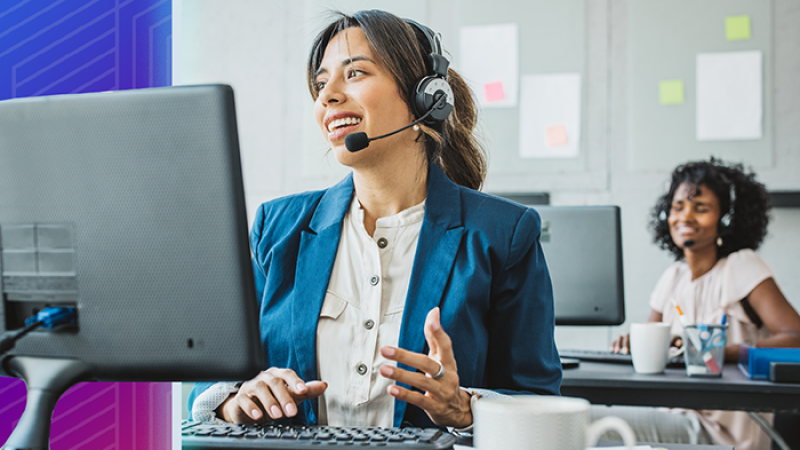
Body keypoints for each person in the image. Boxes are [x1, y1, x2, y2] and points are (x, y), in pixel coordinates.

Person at [187, 10, 561, 430]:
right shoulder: (276, 227)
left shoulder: (502, 235)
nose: (327, 96)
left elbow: (539, 403)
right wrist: (237, 400)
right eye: (320, 83)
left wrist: (466, 408)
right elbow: (212, 384)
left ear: (425, 100)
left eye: (355, 73)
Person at [605, 158, 800, 450]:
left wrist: (717, 350)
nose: (685, 217)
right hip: (673, 414)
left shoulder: (741, 266)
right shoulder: (673, 276)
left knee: (588, 421)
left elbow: (796, 338)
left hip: (721, 433)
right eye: (678, 206)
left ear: (726, 219)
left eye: (701, 208)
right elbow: (653, 343)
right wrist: (634, 344)